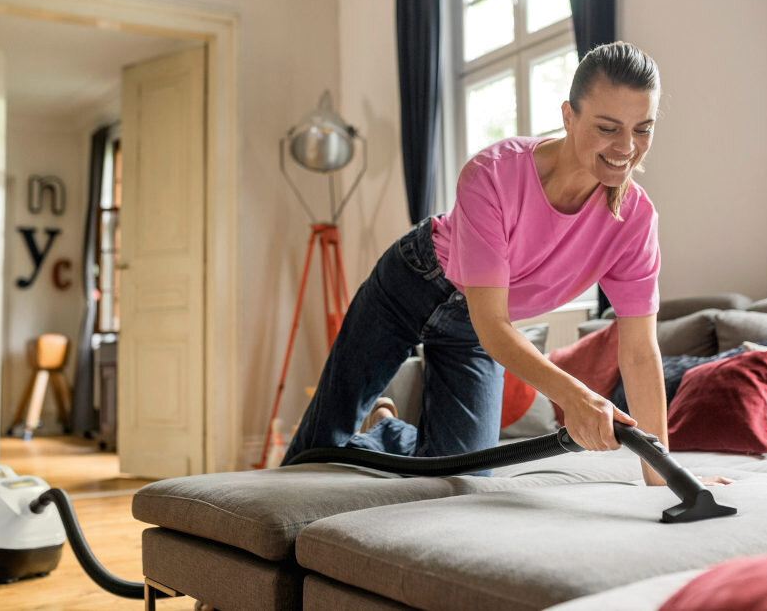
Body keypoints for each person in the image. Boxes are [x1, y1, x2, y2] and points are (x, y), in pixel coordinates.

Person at [282, 42, 717, 487]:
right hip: (412, 286)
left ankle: (385, 429)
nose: (627, 147)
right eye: (608, 127)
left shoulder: (634, 220)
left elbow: (641, 353)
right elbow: (493, 324)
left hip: (474, 331)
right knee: (317, 446)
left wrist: (667, 480)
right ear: (568, 116)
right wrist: (575, 397)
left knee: (461, 478)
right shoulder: (492, 174)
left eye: (642, 129)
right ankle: (363, 430)